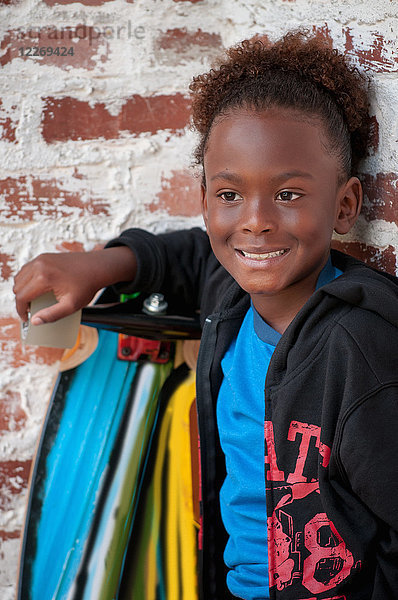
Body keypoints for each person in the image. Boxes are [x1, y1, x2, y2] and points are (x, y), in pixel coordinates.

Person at [14, 31, 398, 600]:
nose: (255, 221)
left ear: (344, 206)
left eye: (289, 194)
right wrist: (101, 264)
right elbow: (192, 255)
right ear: (204, 200)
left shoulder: (360, 351)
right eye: (229, 194)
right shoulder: (230, 291)